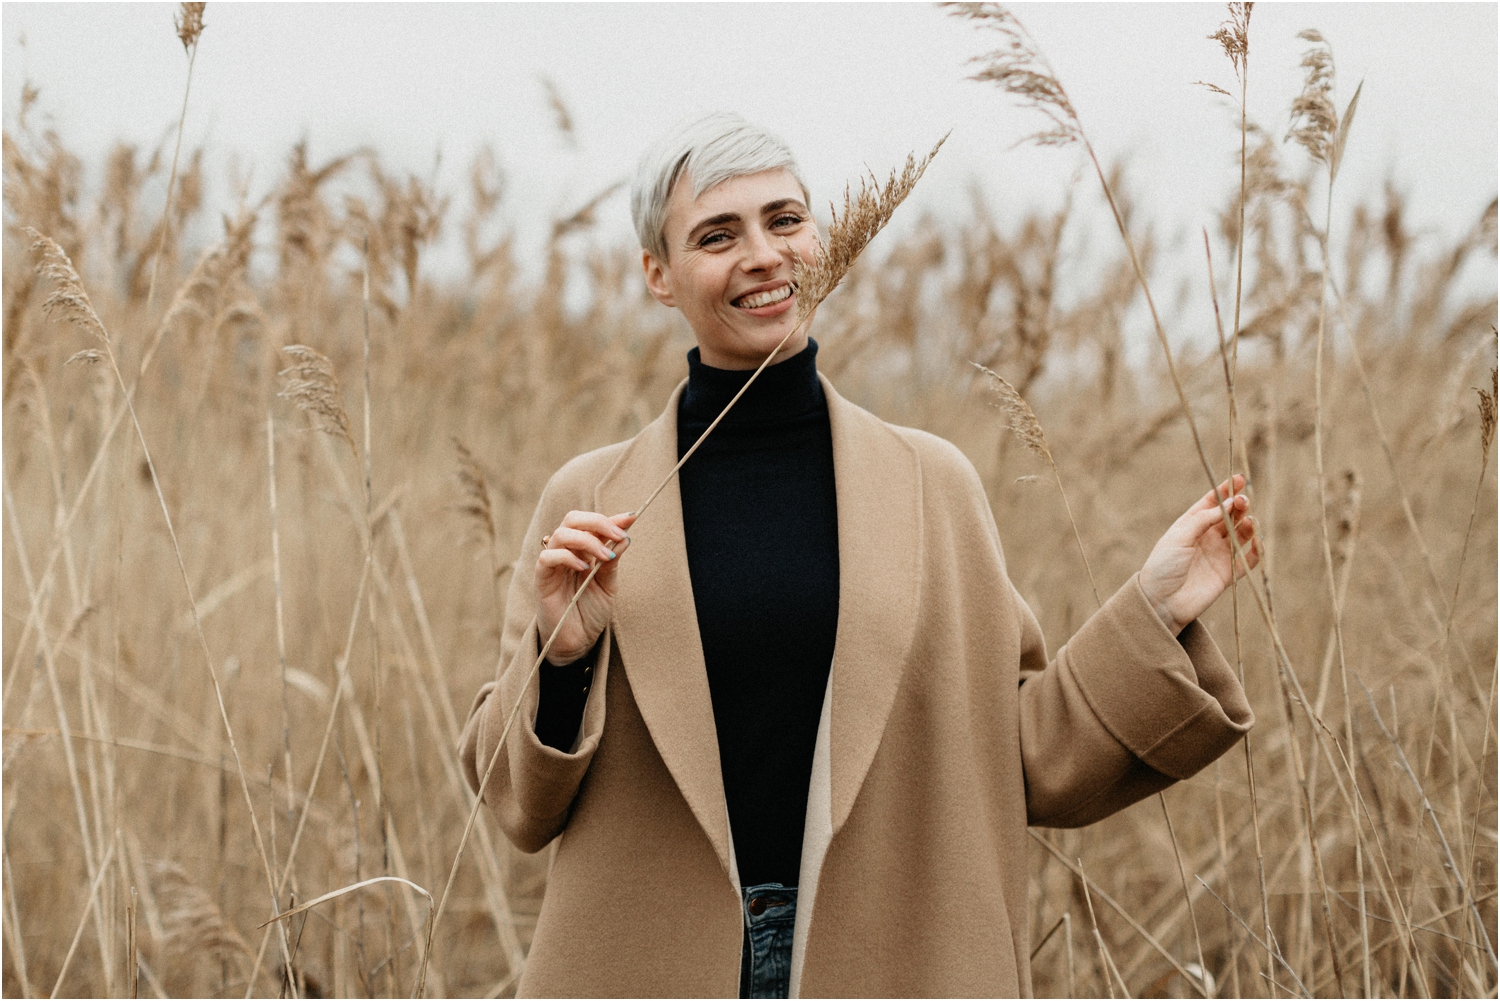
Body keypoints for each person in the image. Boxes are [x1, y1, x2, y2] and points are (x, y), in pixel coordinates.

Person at [460, 111, 1259, 999]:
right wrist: (562, 659)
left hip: (890, 961)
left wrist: (1148, 614)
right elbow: (513, 804)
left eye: (786, 220)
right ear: (659, 274)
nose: (763, 254)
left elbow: (1021, 752)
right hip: (641, 970)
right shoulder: (594, 499)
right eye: (717, 235)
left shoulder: (931, 484)